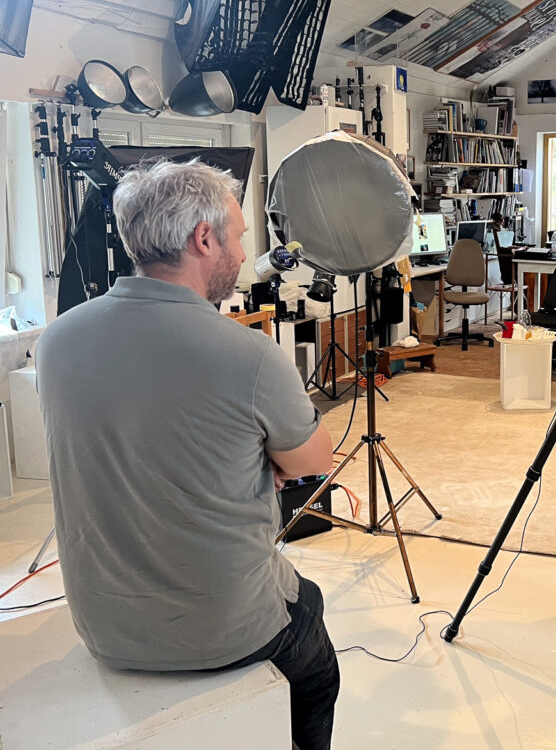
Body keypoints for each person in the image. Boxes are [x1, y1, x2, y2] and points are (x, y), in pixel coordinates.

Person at [36, 160, 339, 749]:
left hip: (103, 626)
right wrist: (267, 458)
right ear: (205, 238)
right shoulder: (248, 353)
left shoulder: (58, 339)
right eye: (239, 233)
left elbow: (137, 437)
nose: (245, 246)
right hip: (224, 630)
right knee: (316, 647)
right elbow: (311, 461)